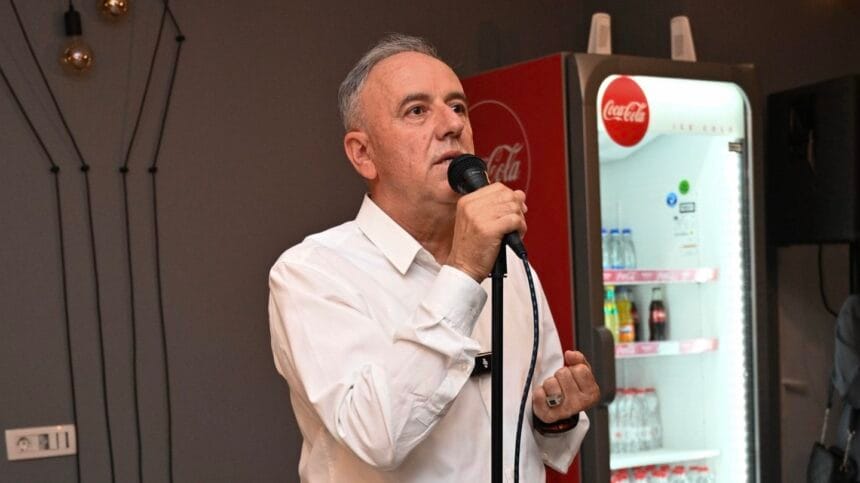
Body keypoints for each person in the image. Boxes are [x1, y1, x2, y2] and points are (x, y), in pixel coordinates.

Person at [268, 33, 600, 482]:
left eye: (458, 107)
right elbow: (376, 436)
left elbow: (538, 437)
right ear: (363, 154)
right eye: (417, 111)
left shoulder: (510, 263)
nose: (451, 125)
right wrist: (462, 272)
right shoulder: (312, 273)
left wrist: (555, 414)